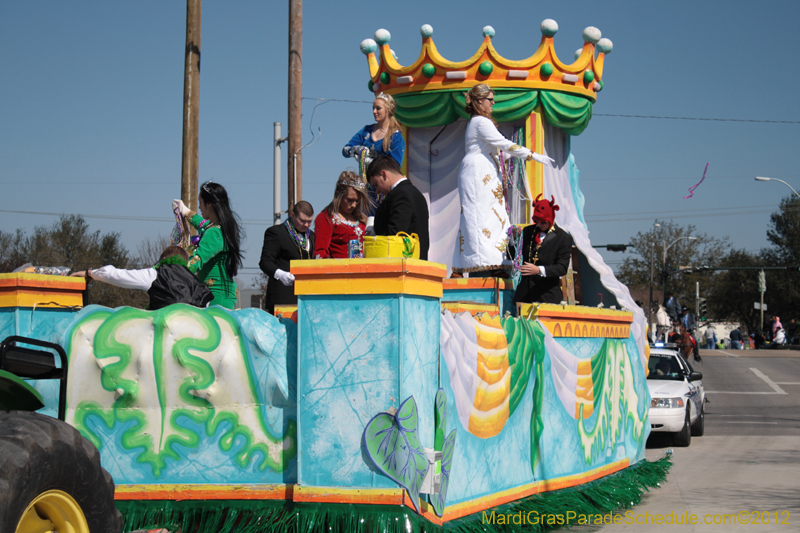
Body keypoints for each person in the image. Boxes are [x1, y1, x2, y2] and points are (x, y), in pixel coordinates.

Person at [452, 83, 555, 275]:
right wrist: (532, 155)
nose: (493, 104)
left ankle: (494, 261)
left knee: (493, 218)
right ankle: (481, 262)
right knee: (480, 218)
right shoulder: (480, 122)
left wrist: (517, 152)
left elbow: (500, 151)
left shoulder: (480, 122)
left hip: (486, 173)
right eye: (490, 100)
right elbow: (504, 144)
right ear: (479, 102)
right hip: (478, 175)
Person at [71, 246, 212, 310]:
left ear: (162, 259)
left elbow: (116, 275)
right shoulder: (200, 285)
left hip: (164, 339)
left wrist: (89, 273)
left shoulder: (156, 274)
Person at [174, 182, 244, 310]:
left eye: (200, 203)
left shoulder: (214, 232)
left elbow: (197, 260)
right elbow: (202, 224)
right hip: (221, 292)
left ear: (209, 204)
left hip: (216, 296)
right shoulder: (222, 227)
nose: (199, 207)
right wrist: (186, 212)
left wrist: (174, 273)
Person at [512, 195, 573, 306]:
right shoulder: (528, 231)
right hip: (524, 296)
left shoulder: (563, 238)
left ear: (550, 219)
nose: (539, 225)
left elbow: (562, 267)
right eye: (537, 221)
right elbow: (512, 256)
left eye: (543, 222)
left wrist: (539, 270)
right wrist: (514, 241)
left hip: (547, 296)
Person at [366, 155, 430, 260]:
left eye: (376, 184)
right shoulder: (414, 193)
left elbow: (394, 234)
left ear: (384, 174)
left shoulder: (401, 194)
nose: (377, 191)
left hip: (402, 266)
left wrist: (373, 237)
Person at [259, 201, 315, 314]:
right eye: (303, 221)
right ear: (293, 215)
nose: (306, 225)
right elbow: (265, 262)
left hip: (306, 297)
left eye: (309, 222)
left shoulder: (313, 236)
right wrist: (281, 274)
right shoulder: (276, 233)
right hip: (283, 297)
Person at [314, 171, 370, 259]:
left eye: (357, 201)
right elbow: (321, 253)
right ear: (338, 195)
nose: (354, 205)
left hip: (363, 270)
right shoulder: (326, 218)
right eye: (350, 200)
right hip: (339, 271)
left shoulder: (362, 219)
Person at [342, 92, 405, 167]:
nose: (374, 111)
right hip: (366, 177)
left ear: (388, 110)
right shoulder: (366, 131)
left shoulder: (395, 137)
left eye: (378, 108)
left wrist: (372, 163)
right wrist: (354, 150)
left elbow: (395, 166)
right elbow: (345, 150)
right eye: (373, 108)